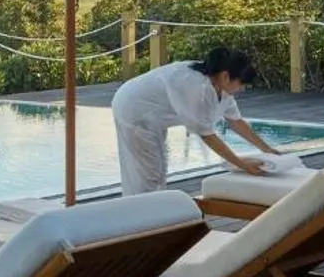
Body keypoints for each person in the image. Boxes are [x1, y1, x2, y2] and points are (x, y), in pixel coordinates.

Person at [110, 45, 285, 195]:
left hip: (151, 113)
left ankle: (152, 212)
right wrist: (241, 164)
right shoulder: (195, 87)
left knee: (158, 169)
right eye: (241, 84)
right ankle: (139, 216)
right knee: (147, 174)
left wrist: (266, 149)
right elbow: (207, 134)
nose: (242, 89)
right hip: (133, 108)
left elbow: (236, 121)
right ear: (226, 76)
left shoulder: (221, 88)